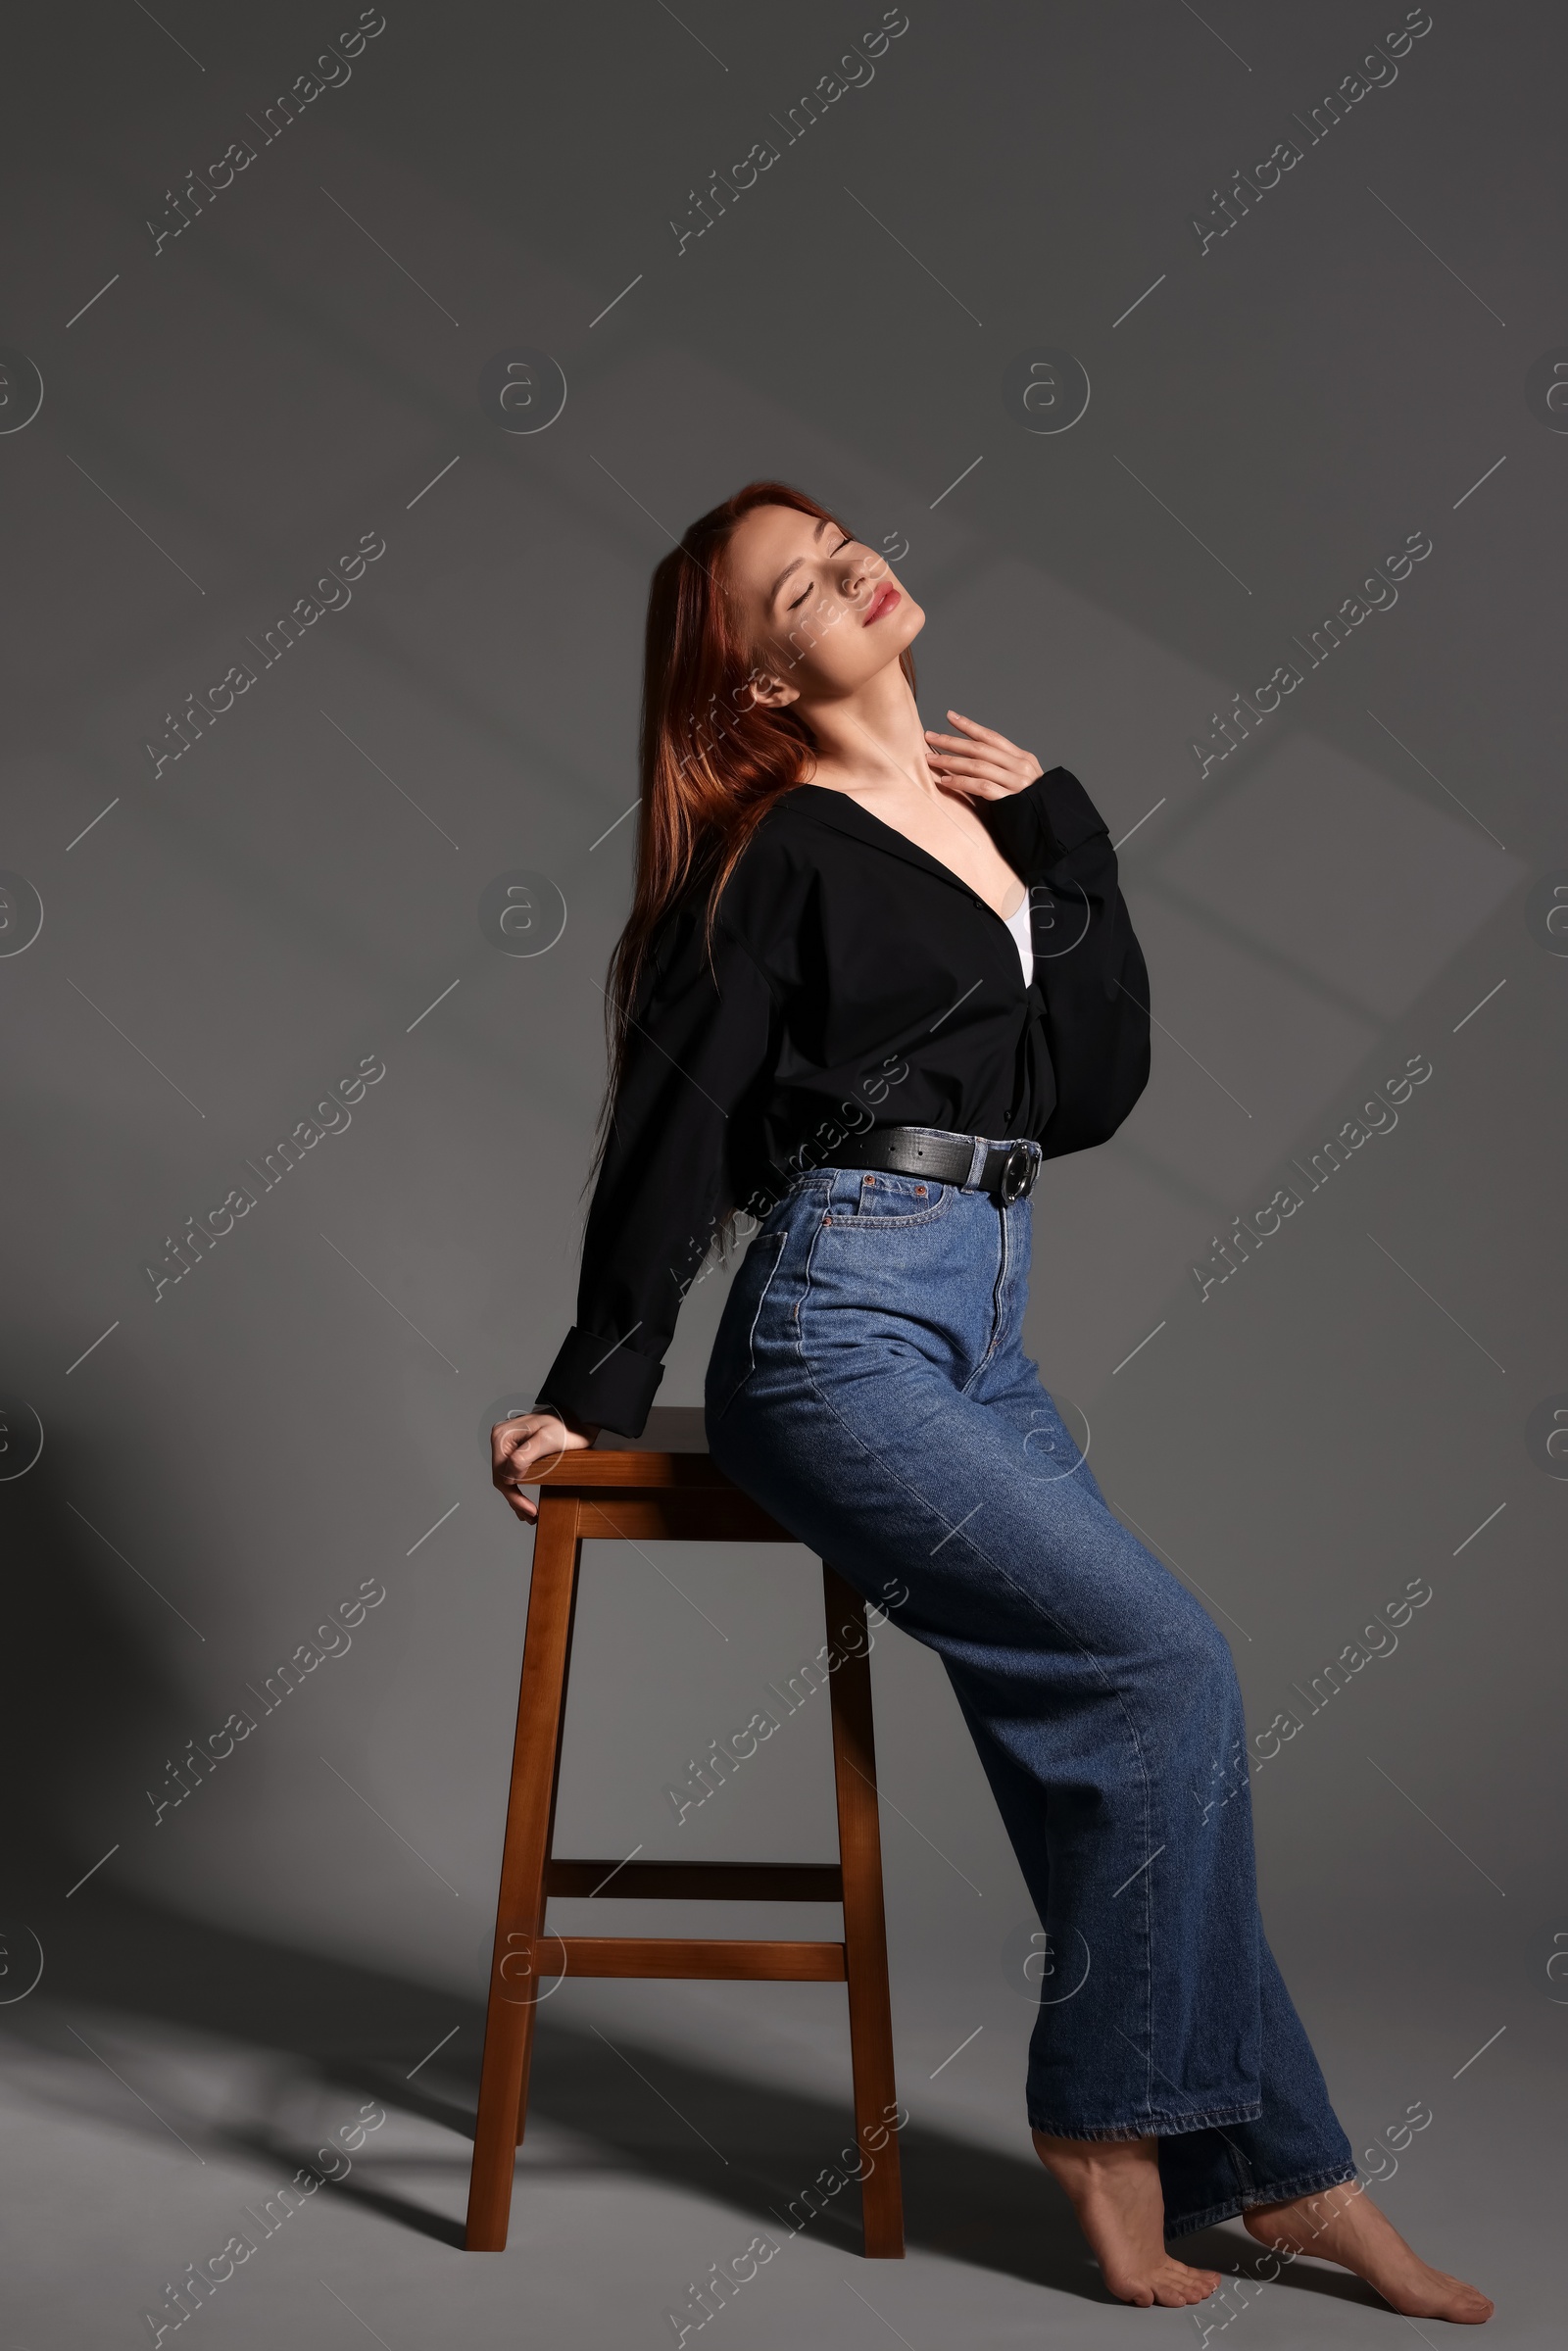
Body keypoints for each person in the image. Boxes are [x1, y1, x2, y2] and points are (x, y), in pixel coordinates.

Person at [491, 481, 1493, 2322]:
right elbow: (678, 1117)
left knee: (1107, 1728)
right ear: (757, 678)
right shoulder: (778, 850)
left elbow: (1083, 1093)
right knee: (1169, 1667)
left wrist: (1069, 839)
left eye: (835, 540)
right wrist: (591, 1383)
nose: (845, 570)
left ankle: (1285, 2174)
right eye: (790, 587)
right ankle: (1108, 2128)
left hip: (985, 1319)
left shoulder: (980, 824)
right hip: (838, 1328)